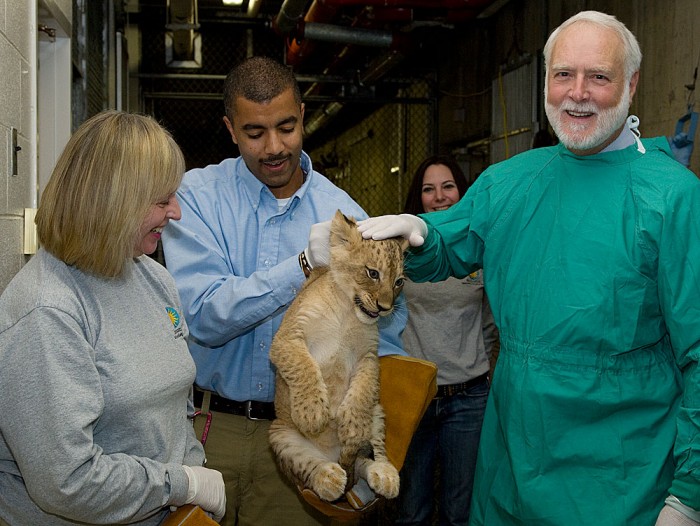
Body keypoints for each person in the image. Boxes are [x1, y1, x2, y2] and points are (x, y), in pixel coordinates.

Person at [356, 11, 700, 526]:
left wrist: (688, 494)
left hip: (620, 481)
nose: (577, 93)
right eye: (564, 74)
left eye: (598, 77)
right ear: (546, 82)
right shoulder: (509, 181)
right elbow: (449, 243)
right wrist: (420, 232)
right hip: (509, 472)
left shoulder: (672, 198)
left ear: (631, 85)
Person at [161, 56, 406, 526]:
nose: (274, 147)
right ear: (231, 129)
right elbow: (203, 316)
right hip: (210, 430)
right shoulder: (196, 197)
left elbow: (384, 340)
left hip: (310, 438)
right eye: (255, 133)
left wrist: (365, 447)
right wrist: (302, 267)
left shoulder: (347, 217)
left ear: (304, 114)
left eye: (287, 127)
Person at [0, 111, 226, 525]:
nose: (176, 213)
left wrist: (192, 478)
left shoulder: (152, 277)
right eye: (162, 200)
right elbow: (67, 481)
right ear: (114, 203)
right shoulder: (48, 310)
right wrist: (182, 484)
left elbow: (177, 405)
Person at [395, 155, 498, 526]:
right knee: (412, 508)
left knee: (461, 510)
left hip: (469, 399)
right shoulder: (399, 251)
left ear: (463, 192)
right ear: (417, 200)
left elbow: (490, 324)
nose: (439, 197)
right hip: (414, 399)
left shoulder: (480, 251)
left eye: (448, 186)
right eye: (428, 189)